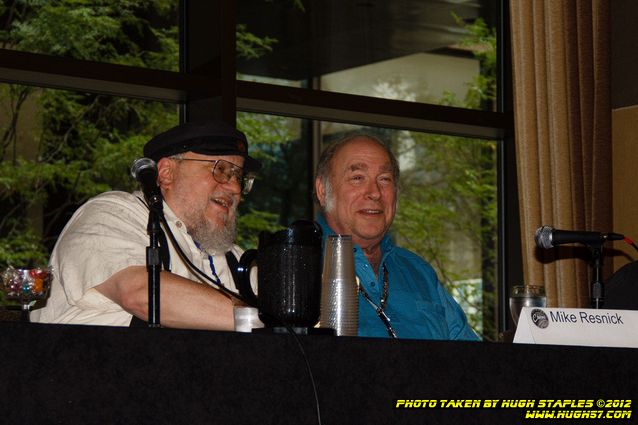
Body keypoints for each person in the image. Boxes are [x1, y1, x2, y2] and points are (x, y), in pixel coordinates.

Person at [31, 120, 260, 330]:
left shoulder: (233, 257)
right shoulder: (112, 214)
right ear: (167, 173)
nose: (235, 189)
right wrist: (258, 318)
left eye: (239, 177)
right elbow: (141, 294)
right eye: (220, 170)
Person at [314, 134, 479, 340]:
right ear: (322, 191)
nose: (374, 193)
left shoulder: (419, 272)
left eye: (384, 179)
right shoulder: (298, 268)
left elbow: (474, 360)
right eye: (357, 178)